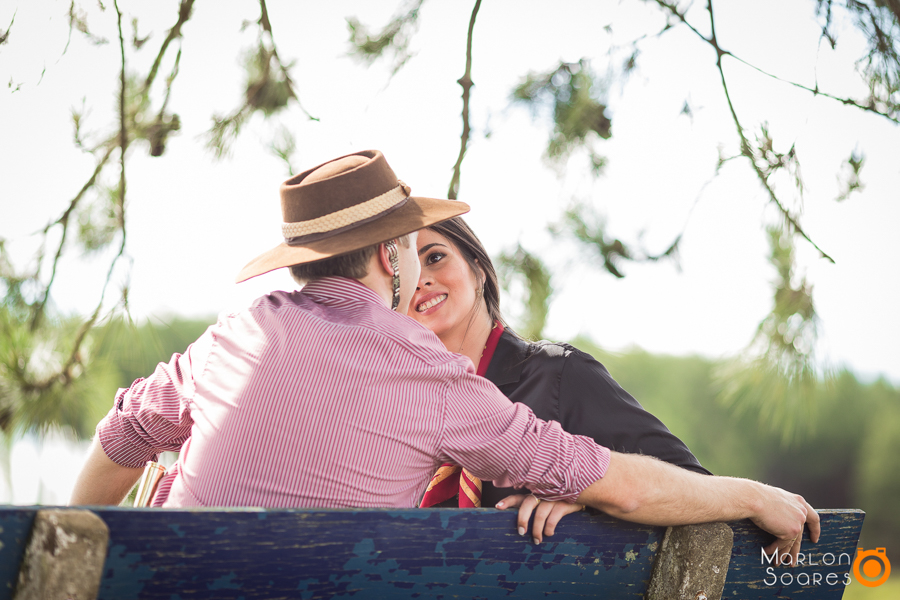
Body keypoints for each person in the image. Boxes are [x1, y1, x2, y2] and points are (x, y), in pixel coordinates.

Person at [69, 149, 818, 566]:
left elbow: (117, 442)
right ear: (389, 256)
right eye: (410, 251)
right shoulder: (431, 381)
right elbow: (623, 486)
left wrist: (73, 553)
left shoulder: (228, 338)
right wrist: (754, 495)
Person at [410, 217, 711, 539]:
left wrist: (590, 498)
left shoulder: (558, 373)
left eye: (435, 258)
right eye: (406, 272)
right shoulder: (406, 406)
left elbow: (696, 485)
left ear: (478, 269)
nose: (421, 280)